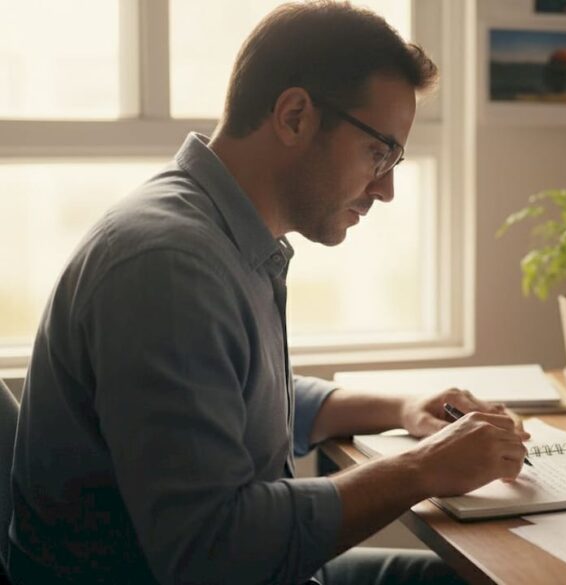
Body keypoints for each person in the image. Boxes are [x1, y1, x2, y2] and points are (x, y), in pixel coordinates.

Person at [6, 2, 530, 584]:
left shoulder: (217, 234)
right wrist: (421, 470)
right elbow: (213, 551)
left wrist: (403, 409)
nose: (386, 189)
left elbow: (240, 395)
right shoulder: (170, 268)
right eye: (379, 152)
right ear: (296, 115)